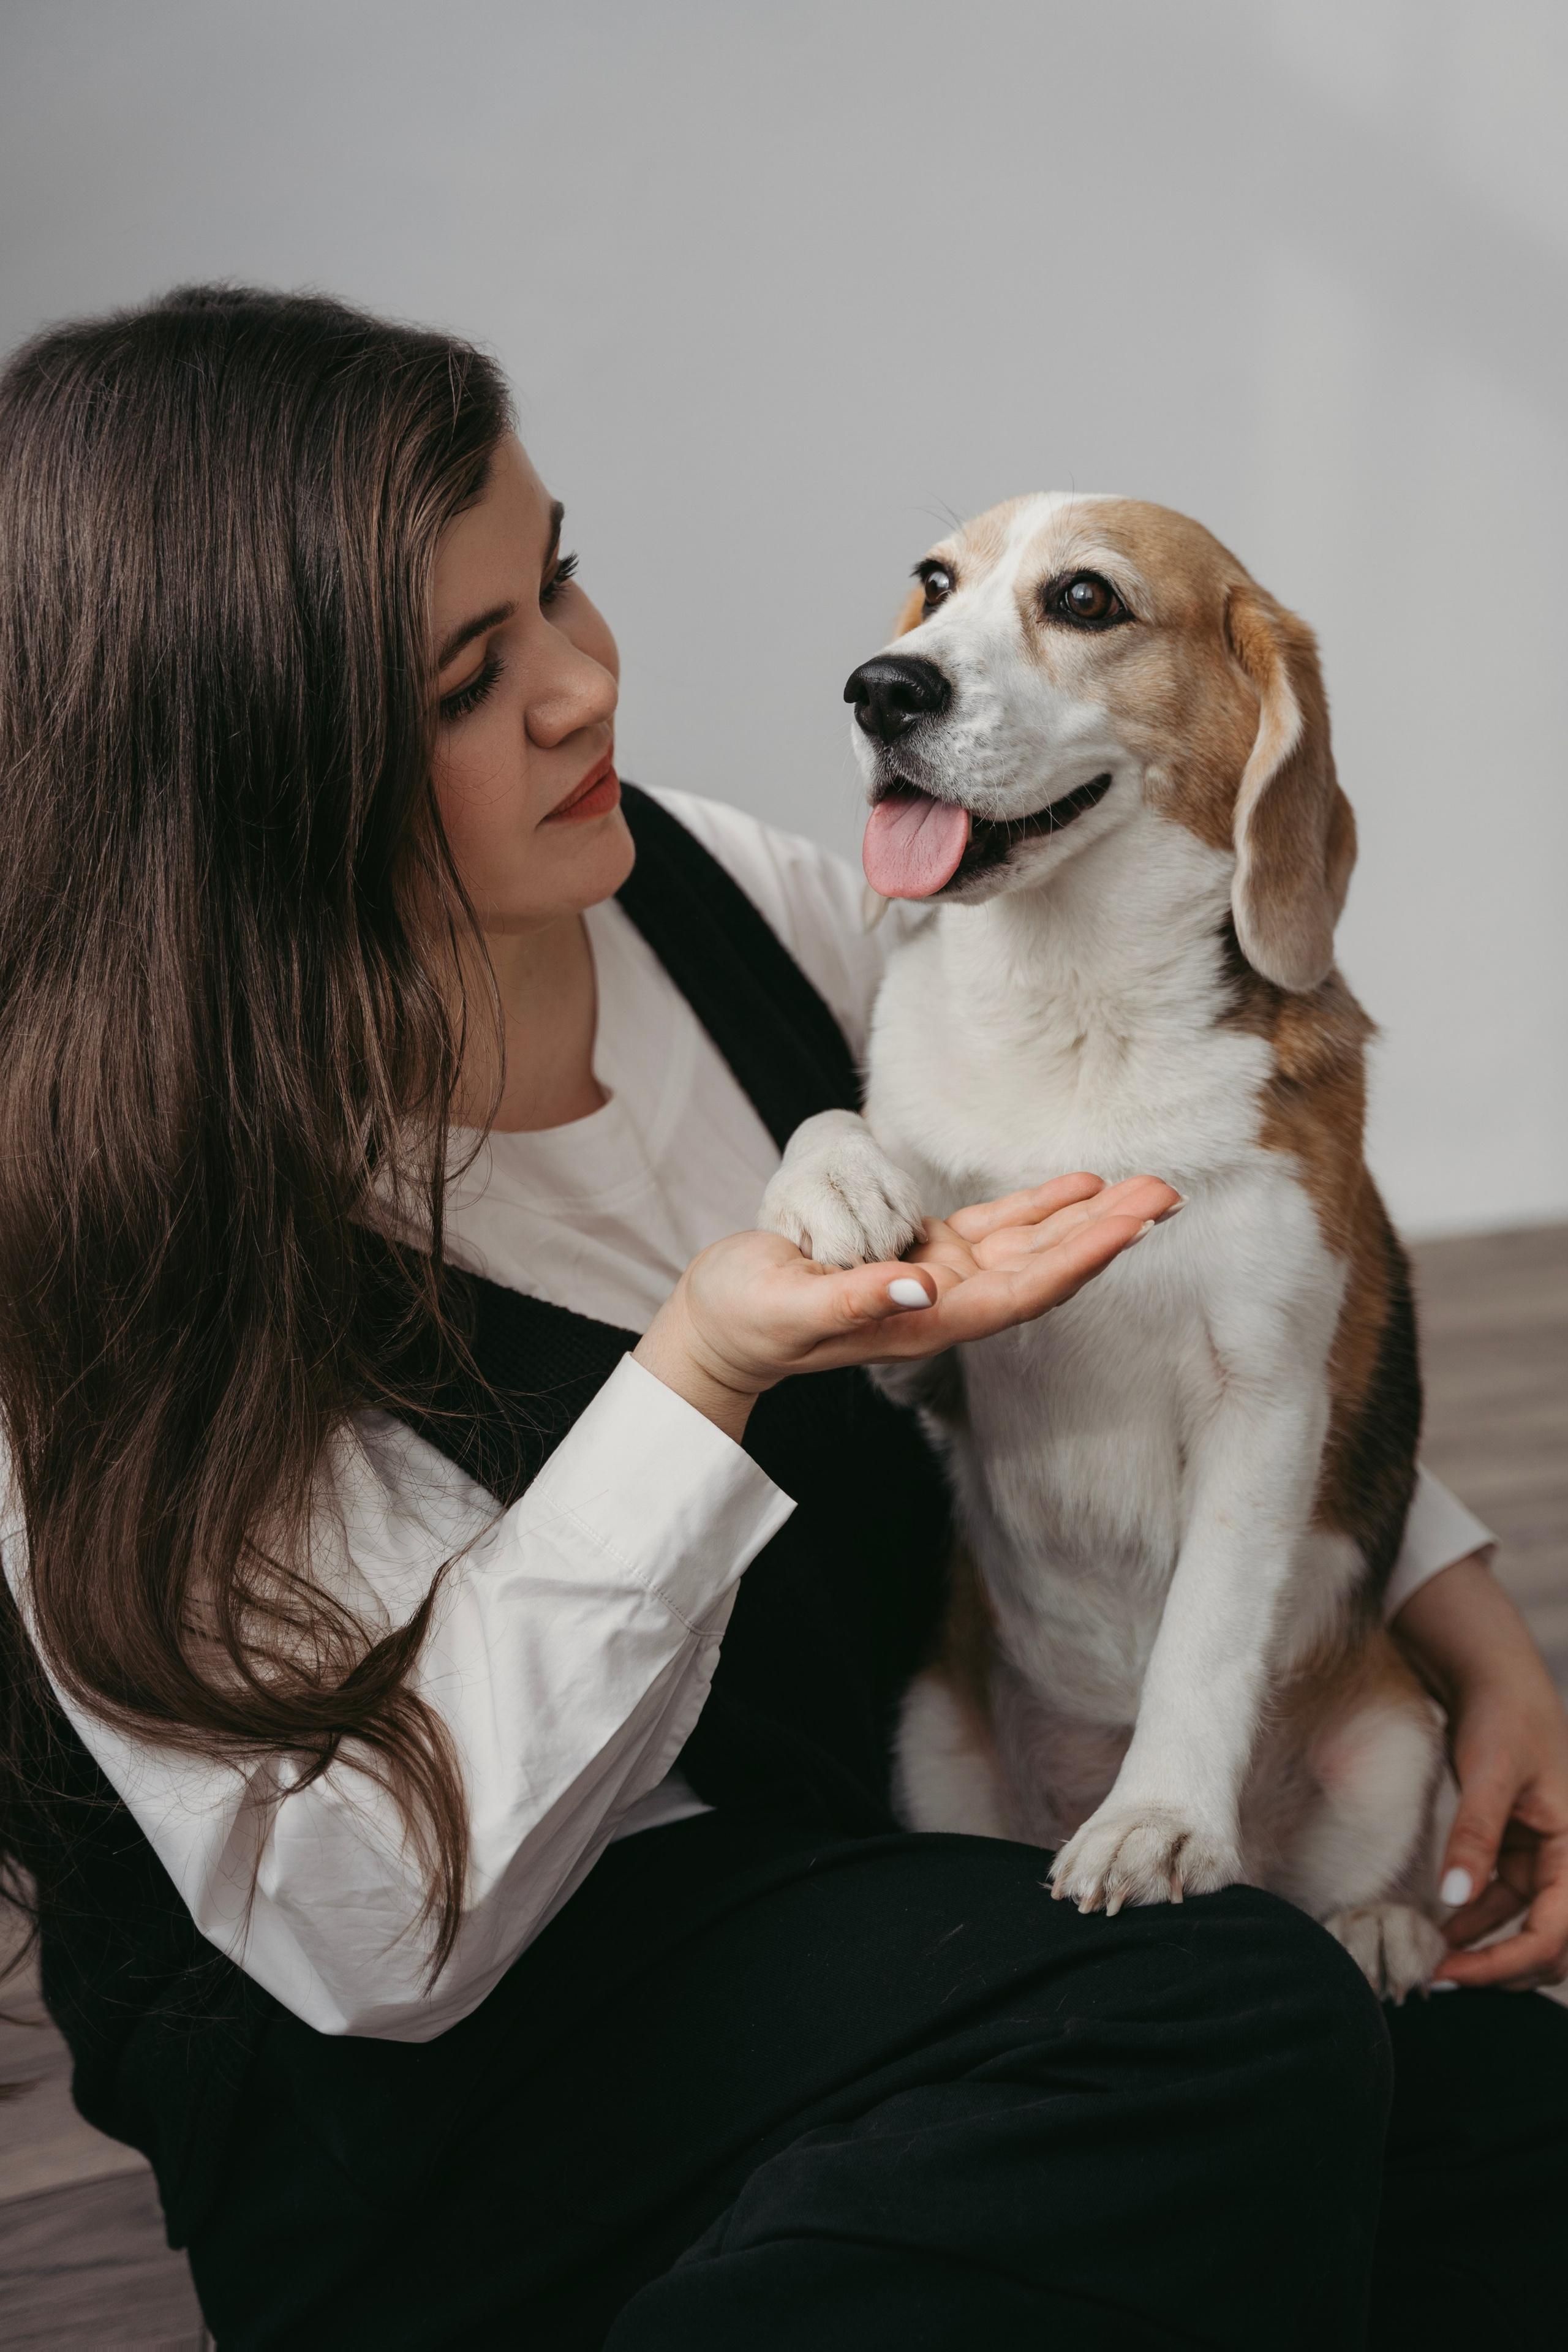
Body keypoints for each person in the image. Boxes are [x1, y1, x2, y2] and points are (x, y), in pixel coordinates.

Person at [0, 285, 1564, 2352]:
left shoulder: (717, 897)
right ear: (253, 786)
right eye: (476, 676)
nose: (580, 689)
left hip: (831, 1843)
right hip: (437, 2083)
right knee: (1228, 2018)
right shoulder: (120, 1240)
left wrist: (1467, 1625)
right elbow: (369, 1940)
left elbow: (1155, 1267)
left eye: (559, 578)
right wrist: (700, 1377)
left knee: (1508, 2115)